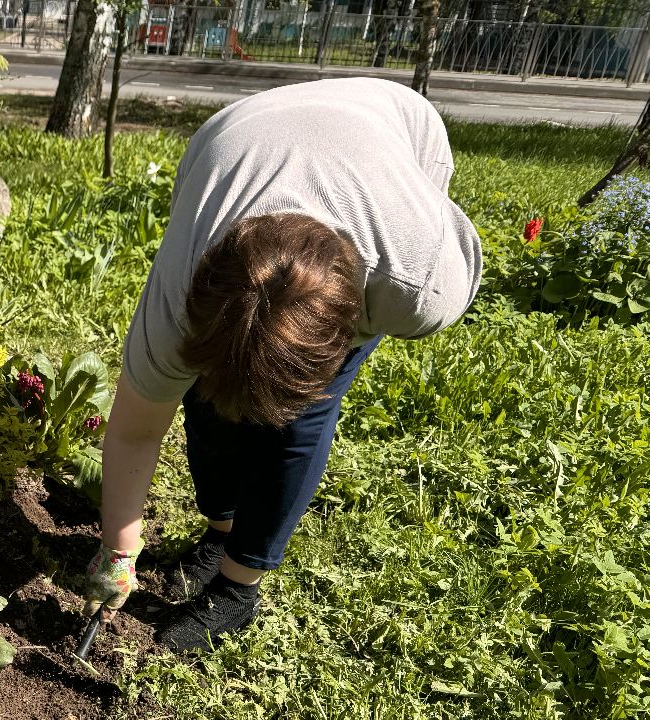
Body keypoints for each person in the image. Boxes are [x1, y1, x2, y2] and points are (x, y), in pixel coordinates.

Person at [81, 77, 483, 651]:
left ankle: (238, 585)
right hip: (236, 133)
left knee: (297, 421)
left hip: (395, 127)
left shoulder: (419, 285)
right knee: (207, 400)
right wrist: (118, 551)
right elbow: (134, 431)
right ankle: (221, 531)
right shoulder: (178, 296)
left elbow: (447, 241)